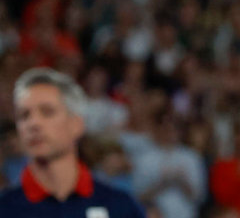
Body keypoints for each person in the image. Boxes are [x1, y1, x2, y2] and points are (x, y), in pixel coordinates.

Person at [0, 67, 144, 216]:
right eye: (24, 115)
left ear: (76, 124)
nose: (33, 124)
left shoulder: (120, 206)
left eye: (47, 112)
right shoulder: (4, 208)